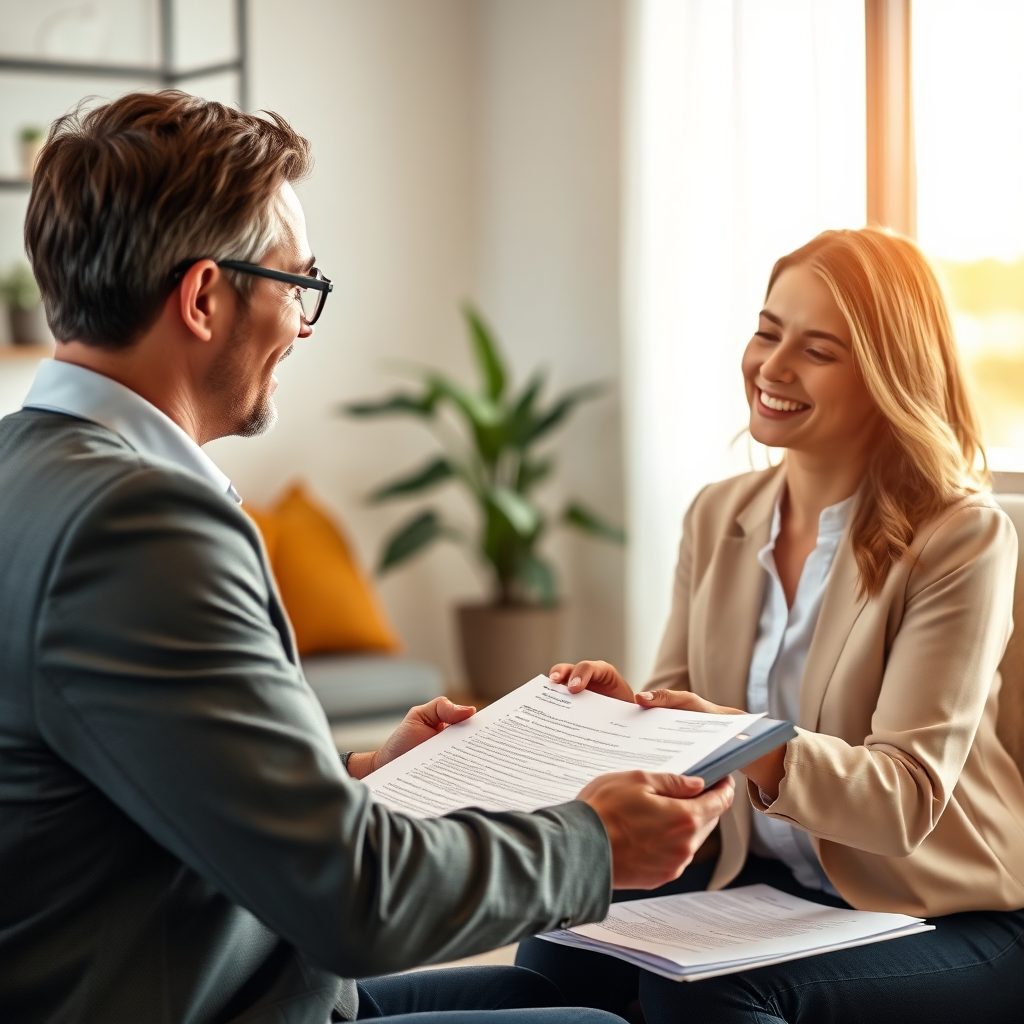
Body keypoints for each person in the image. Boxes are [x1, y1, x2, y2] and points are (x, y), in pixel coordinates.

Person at [0, 91, 735, 1024]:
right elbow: (352, 904)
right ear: (203, 297)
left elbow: (128, 779)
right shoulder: (141, 526)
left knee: (539, 985)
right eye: (297, 287)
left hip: (184, 969)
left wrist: (359, 777)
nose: (302, 327)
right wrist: (595, 839)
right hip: (211, 999)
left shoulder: (22, 470)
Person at [517, 228, 1024, 1023]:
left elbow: (905, 797)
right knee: (554, 941)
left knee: (710, 997)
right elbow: (686, 728)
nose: (772, 367)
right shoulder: (720, 514)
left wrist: (742, 735)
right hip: (764, 880)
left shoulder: (961, 537)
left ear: (888, 375)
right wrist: (627, 715)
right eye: (766, 331)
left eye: (819, 349)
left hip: (950, 908)